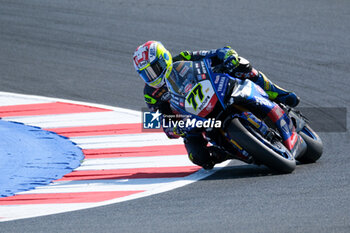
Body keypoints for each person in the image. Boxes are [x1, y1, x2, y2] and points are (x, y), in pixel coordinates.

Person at [133, 41, 299, 170]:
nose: (152, 76)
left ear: (164, 58)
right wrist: (173, 128)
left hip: (216, 92)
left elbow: (216, 53)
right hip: (193, 119)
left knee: (242, 65)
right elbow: (161, 119)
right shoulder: (150, 93)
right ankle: (229, 152)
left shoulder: (183, 58)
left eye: (154, 69)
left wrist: (227, 56)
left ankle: (278, 93)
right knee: (198, 157)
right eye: (146, 74)